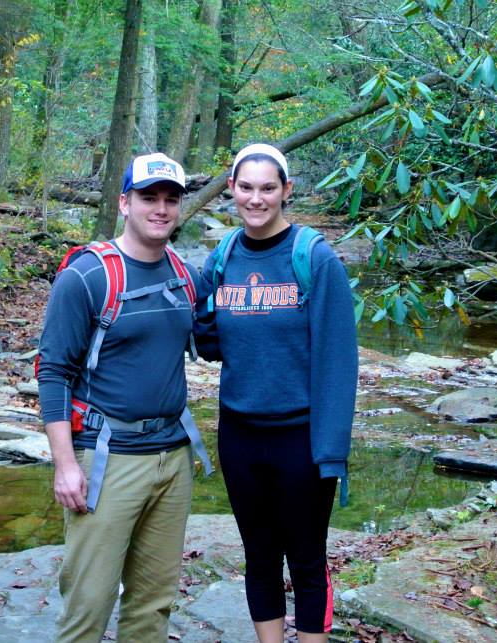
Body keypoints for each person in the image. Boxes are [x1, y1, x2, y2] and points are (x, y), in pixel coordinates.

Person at [37, 152, 211, 643]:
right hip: (107, 460)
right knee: (88, 606)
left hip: (173, 458)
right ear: (124, 203)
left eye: (171, 199)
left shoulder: (185, 275)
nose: (161, 209)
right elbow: (53, 372)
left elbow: (224, 338)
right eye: (148, 197)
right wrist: (65, 465)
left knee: (153, 604)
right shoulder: (87, 277)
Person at [197, 143, 358, 643]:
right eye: (246, 187)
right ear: (231, 189)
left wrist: (331, 450)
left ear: (287, 190)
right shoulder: (223, 257)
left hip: (300, 438)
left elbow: (338, 360)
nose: (256, 198)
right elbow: (207, 338)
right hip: (240, 435)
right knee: (259, 556)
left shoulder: (314, 258)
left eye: (268, 188)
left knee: (306, 558)